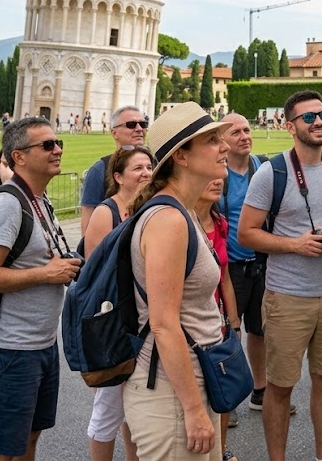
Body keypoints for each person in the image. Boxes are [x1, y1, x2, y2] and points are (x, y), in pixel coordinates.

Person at [238, 90, 322, 461]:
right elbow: (246, 233)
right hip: (287, 296)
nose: (319, 122)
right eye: (309, 118)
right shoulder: (270, 172)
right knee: (280, 386)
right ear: (291, 126)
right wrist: (295, 245)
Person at [122, 102, 231, 460]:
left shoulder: (181, 211)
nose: (225, 145)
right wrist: (193, 409)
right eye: (213, 140)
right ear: (181, 155)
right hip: (171, 392)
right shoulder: (169, 220)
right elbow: (164, 323)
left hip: (189, 381)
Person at [0, 117, 80, 460]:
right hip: (10, 349)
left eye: (58, 142)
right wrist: (46, 274)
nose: (57, 149)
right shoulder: (7, 205)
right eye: (47, 145)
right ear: (18, 156)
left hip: (41, 344)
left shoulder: (38, 199)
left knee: (29, 438)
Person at [218, 113, 295, 422]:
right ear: (223, 141)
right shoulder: (218, 174)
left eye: (247, 129)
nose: (244, 135)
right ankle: (228, 398)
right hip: (230, 267)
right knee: (228, 331)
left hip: (262, 263)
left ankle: (260, 390)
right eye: (235, 131)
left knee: (260, 330)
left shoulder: (263, 168)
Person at [82, 144, 155, 461]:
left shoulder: (151, 207)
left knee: (137, 409)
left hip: (146, 322)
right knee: (108, 410)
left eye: (149, 167)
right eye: (138, 168)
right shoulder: (105, 212)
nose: (146, 173)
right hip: (115, 324)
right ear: (118, 176)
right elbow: (93, 277)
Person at [194, 178, 242, 461]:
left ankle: (220, 451)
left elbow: (224, 277)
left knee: (223, 391)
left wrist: (234, 324)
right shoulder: (180, 221)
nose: (218, 183)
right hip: (194, 324)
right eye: (210, 179)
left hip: (220, 320)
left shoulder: (219, 221)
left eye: (220, 181)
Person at [80, 105, 148, 234]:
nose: (139, 129)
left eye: (143, 124)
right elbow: (87, 229)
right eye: (131, 124)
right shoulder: (99, 170)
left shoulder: (155, 165)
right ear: (114, 133)